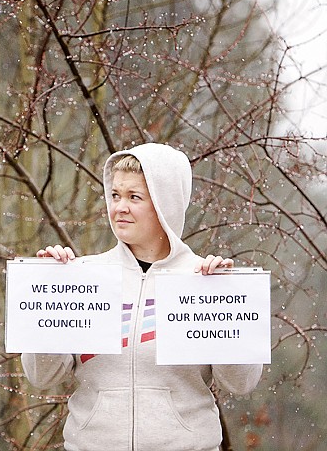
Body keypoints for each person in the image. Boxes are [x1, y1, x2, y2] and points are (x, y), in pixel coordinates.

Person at [21, 143, 262, 451]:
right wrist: (50, 291)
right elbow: (42, 376)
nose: (120, 207)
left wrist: (227, 305)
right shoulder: (84, 278)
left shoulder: (204, 281)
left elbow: (241, 383)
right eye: (115, 195)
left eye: (134, 197)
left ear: (165, 204)